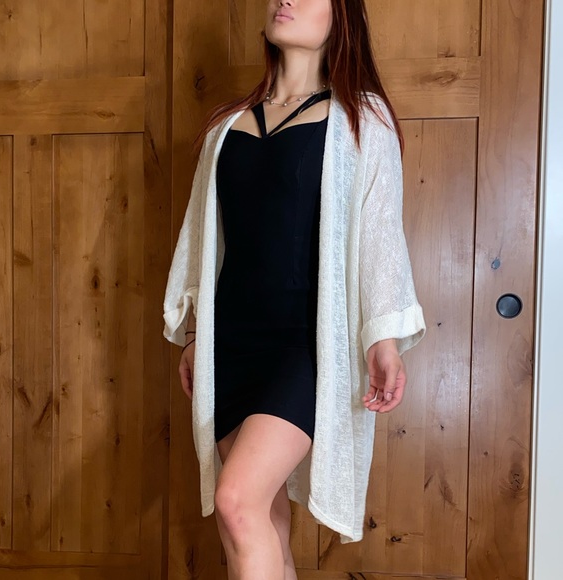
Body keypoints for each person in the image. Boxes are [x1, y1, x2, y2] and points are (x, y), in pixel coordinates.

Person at [163, 0, 426, 578]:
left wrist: (382, 338)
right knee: (262, 521)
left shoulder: (361, 121)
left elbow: (380, 234)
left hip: (306, 348)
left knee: (237, 502)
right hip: (232, 345)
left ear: (341, 17)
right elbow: (205, 243)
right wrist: (196, 333)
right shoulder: (226, 127)